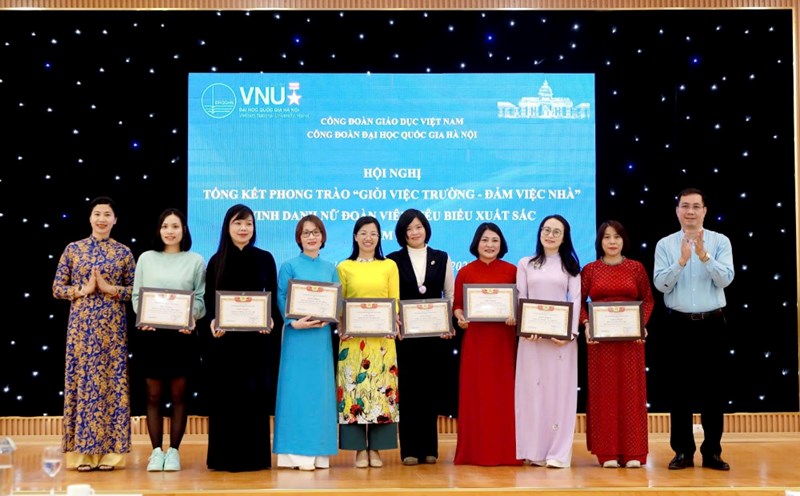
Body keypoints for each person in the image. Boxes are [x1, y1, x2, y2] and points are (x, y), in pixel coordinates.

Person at [52, 196, 136, 472]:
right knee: (83, 384)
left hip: (113, 330)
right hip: (81, 330)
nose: (102, 219)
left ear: (115, 220)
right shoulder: (73, 249)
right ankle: (82, 455)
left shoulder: (123, 252)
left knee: (112, 385)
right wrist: (82, 290)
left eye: (107, 214)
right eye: (97, 213)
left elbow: (136, 292)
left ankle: (111, 455)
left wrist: (111, 289)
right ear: (90, 218)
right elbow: (57, 288)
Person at [654, 188, 734, 471]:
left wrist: (703, 256)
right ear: (677, 211)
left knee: (714, 391)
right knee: (679, 392)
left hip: (712, 324)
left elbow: (725, 280)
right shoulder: (665, 244)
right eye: (685, 206)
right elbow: (661, 285)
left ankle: (712, 452)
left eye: (696, 206)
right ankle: (682, 452)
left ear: (704, 211)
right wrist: (681, 261)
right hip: (678, 325)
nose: (690, 211)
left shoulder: (720, 241)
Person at [202, 204, 282, 472]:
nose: (243, 228)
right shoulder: (216, 261)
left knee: (253, 399)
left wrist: (270, 319)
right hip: (225, 343)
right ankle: (223, 458)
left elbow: (272, 299)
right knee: (226, 400)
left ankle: (254, 458)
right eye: (238, 223)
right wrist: (213, 321)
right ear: (227, 227)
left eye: (248, 223)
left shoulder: (265, 258)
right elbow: (209, 303)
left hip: (255, 343)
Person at [132, 208, 206, 472]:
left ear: (184, 230)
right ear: (158, 230)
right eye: (165, 226)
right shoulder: (146, 258)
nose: (170, 231)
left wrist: (191, 317)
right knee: (152, 396)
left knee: (179, 396)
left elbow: (200, 299)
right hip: (152, 336)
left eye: (175, 226)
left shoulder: (195, 260)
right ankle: (155, 452)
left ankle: (174, 452)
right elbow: (137, 297)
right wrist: (143, 316)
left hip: (182, 338)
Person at [580, 220, 654, 468]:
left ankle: (634, 452)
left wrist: (641, 324)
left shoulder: (636, 268)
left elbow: (648, 300)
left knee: (632, 393)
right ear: (599, 241)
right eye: (607, 237)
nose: (612, 242)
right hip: (600, 343)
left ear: (624, 240)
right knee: (604, 394)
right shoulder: (590, 270)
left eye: (617, 237)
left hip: (630, 341)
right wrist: (587, 324)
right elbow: (579, 303)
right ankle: (607, 452)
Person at [386, 209, 455, 466]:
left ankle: (430, 449)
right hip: (405, 337)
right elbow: (390, 296)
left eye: (419, 227)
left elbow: (449, 295)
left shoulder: (442, 257)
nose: (415, 232)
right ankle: (409, 450)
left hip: (434, 336)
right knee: (409, 391)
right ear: (402, 233)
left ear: (426, 228)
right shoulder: (392, 260)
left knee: (430, 390)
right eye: (409, 229)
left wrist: (447, 323)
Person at [514, 215, 581, 468]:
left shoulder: (570, 266)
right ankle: (534, 451)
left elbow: (576, 299)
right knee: (532, 393)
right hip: (531, 340)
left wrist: (569, 334)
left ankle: (558, 453)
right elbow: (522, 296)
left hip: (561, 342)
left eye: (556, 232)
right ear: (540, 232)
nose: (550, 235)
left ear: (564, 238)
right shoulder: (526, 263)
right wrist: (525, 326)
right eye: (546, 230)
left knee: (559, 394)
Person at [274, 215, 339, 471]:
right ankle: (296, 455)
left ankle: (319, 453)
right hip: (297, 337)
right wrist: (292, 322)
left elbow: (337, 300)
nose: (311, 237)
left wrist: (329, 317)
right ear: (298, 238)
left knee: (319, 394)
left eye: (316, 232)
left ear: (323, 237)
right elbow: (281, 296)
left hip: (320, 337)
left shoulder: (330, 268)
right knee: (296, 392)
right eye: (306, 233)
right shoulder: (289, 266)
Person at [453, 222, 521, 466]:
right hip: (476, 342)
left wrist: (516, 314)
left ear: (501, 244)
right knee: (477, 395)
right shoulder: (465, 272)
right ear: (476, 243)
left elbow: (520, 304)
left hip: (503, 342)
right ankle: (475, 452)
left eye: (494, 240)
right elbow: (457, 305)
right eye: (485, 240)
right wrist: (460, 317)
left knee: (503, 395)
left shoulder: (513, 271)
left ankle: (506, 452)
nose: (490, 245)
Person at [336, 216, 400, 468]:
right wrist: (342, 325)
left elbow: (394, 300)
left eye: (373, 233)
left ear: (379, 237)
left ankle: (376, 448)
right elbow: (340, 304)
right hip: (353, 341)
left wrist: (393, 322)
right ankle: (358, 450)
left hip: (382, 342)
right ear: (355, 237)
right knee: (354, 392)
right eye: (363, 233)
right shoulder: (344, 267)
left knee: (381, 393)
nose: (368, 238)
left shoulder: (389, 266)